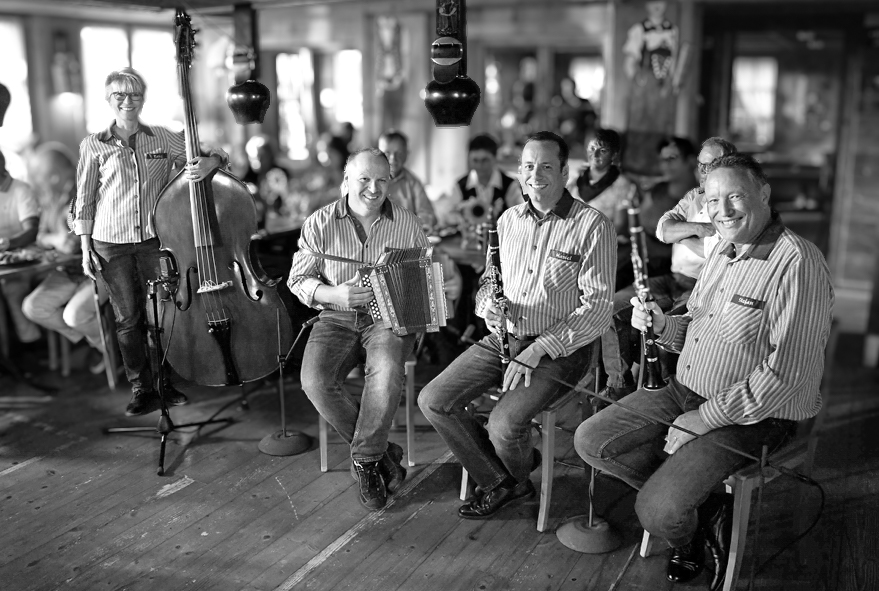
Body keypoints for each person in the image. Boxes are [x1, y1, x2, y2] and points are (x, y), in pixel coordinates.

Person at [574, 153, 833, 591]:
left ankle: (682, 521)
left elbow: (786, 373)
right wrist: (662, 326)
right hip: (684, 388)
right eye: (713, 200)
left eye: (735, 196)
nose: (723, 210)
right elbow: (695, 324)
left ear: (764, 194)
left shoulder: (797, 263)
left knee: (655, 512)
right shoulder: (723, 251)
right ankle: (704, 508)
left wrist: (703, 420)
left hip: (754, 418)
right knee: (591, 440)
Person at [418, 132, 616, 520]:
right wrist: (487, 308)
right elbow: (489, 284)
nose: (535, 174)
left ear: (564, 172)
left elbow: (597, 309)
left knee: (504, 424)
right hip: (505, 337)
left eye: (546, 166)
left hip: (562, 349)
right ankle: (506, 479)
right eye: (528, 166)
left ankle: (510, 467)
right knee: (433, 400)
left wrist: (539, 349)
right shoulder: (508, 220)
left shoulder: (593, 226)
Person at [288, 148, 453, 512]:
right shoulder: (319, 222)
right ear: (346, 181)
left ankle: (365, 462)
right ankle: (383, 454)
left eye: (382, 180)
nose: (373, 188)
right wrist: (335, 293)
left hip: (388, 318)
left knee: (387, 370)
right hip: (335, 315)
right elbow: (297, 280)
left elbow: (421, 276)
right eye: (364, 179)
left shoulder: (406, 221)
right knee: (314, 381)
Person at [73, 67, 228, 416]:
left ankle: (165, 383)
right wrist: (85, 247)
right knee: (129, 319)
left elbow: (209, 151)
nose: (128, 101)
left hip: (154, 242)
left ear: (143, 98)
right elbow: (84, 199)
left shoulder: (162, 138)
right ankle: (141, 388)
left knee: (162, 316)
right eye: (120, 95)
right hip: (109, 245)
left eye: (134, 94)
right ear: (109, 100)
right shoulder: (93, 144)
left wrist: (212, 161)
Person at [598, 136, 735, 399]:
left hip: (705, 287)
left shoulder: (733, 204)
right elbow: (663, 228)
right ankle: (619, 385)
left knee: (665, 324)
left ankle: (659, 397)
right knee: (612, 307)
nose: (704, 173)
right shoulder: (694, 197)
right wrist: (701, 229)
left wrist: (682, 236)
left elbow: (721, 249)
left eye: (712, 165)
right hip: (673, 277)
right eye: (701, 165)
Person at [22, 143, 109, 373]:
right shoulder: (53, 198)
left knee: (75, 316)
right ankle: (96, 343)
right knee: (33, 307)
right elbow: (41, 236)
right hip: (69, 272)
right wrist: (56, 239)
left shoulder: (86, 190)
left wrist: (69, 239)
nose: (38, 184)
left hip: (99, 271)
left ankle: (109, 350)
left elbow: (78, 240)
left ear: (52, 177)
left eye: (40, 178)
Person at [0, 148, 42, 346]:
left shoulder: (20, 190)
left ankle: (30, 345)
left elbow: (31, 231)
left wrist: (7, 244)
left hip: (26, 258)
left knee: (13, 288)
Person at [439, 133, 524, 228]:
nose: (479, 166)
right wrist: (460, 215)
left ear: (495, 158)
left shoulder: (509, 184)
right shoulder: (460, 185)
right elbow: (447, 216)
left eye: (485, 160)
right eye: (475, 160)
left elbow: (522, 215)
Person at [567, 128, 637, 237]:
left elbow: (618, 224)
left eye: (603, 150)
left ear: (614, 155)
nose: (595, 155)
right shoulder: (575, 177)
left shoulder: (621, 184)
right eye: (592, 148)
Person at [378, 129, 436, 229]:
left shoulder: (413, 183)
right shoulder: (367, 180)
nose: (393, 158)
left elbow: (427, 214)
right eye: (387, 153)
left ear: (407, 154)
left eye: (399, 153)